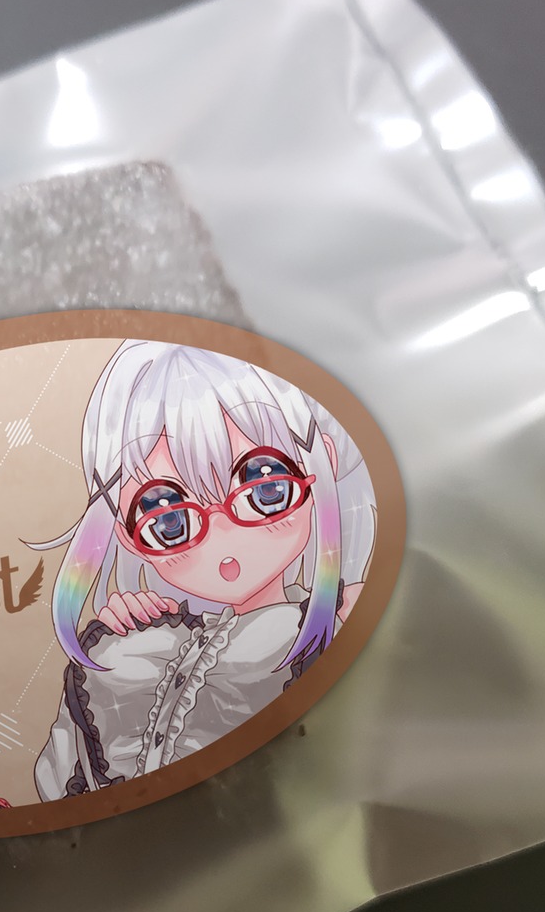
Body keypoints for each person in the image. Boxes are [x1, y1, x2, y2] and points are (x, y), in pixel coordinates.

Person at [31, 340, 375, 799]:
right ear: (124, 532)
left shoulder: (337, 624)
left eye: (266, 491)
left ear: (322, 461)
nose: (225, 545)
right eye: (168, 521)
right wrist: (124, 644)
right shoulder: (122, 646)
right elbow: (58, 785)